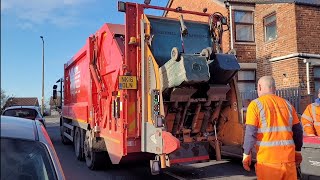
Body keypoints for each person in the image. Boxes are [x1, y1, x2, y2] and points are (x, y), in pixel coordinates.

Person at [242, 76, 303, 180]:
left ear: (259, 87)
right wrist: (297, 152)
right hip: (288, 161)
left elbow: (250, 133)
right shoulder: (288, 105)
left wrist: (246, 154)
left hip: (268, 162)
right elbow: (298, 131)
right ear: (274, 88)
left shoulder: (255, 105)